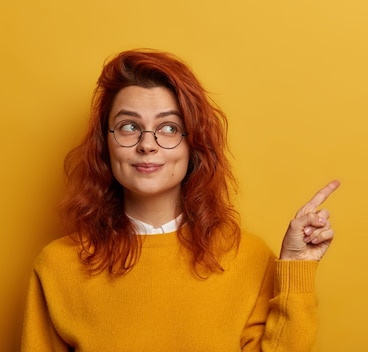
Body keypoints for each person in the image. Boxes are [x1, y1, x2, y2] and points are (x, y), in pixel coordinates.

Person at [21, 49, 340, 352]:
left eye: (169, 128)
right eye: (129, 126)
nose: (147, 144)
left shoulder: (250, 258)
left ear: (194, 145)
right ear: (105, 143)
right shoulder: (58, 265)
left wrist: (297, 266)